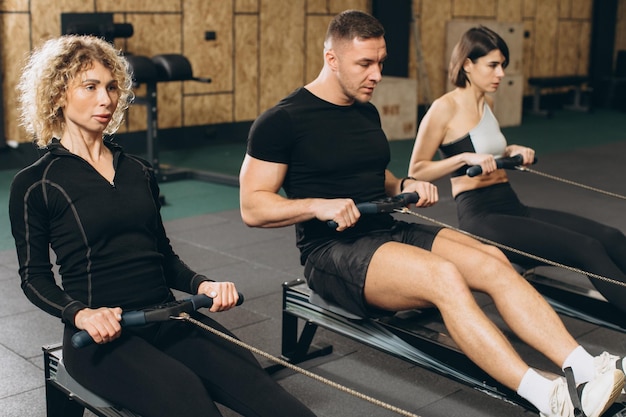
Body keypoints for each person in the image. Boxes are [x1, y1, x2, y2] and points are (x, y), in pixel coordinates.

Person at [239, 10, 625, 417]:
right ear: (331, 58)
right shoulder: (282, 121)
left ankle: (586, 367)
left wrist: (404, 185)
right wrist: (318, 205)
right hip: (333, 251)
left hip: (386, 228)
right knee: (445, 278)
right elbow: (253, 204)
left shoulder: (364, 111)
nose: (376, 74)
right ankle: (548, 398)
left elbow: (373, 173)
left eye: (381, 62)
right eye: (364, 64)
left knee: (493, 261)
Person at [9, 35, 316, 417]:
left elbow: (163, 256)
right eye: (90, 87)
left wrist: (201, 284)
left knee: (281, 406)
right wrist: (81, 314)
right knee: (194, 405)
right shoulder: (36, 183)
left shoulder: (138, 170)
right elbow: (34, 278)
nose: (106, 99)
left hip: (168, 318)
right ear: (58, 95)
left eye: (111, 87)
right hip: (100, 340)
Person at [407, 26, 626, 315]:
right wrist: (464, 160)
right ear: (468, 65)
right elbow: (416, 171)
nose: (501, 74)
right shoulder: (443, 108)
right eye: (493, 65)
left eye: (503, 66)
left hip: (511, 205)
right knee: (586, 248)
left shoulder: (488, 101)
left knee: (610, 236)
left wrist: (512, 151)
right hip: (482, 216)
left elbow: (495, 149)